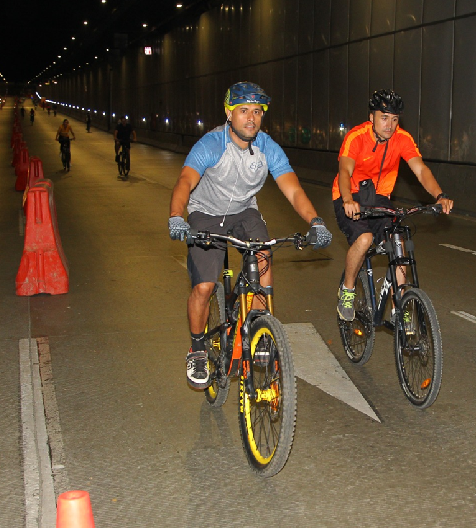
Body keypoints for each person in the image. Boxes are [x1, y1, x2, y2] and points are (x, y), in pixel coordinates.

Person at [168, 81, 333, 389]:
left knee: (263, 256)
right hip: (206, 213)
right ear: (228, 113)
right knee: (204, 286)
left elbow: (293, 189)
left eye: (257, 111)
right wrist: (177, 216)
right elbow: (185, 181)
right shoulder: (211, 144)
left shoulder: (267, 147)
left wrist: (316, 221)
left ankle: (258, 329)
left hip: (244, 212)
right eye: (243, 110)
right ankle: (198, 349)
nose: (251, 118)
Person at [333, 89, 454, 322]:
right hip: (350, 195)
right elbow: (345, 170)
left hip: (379, 199)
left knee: (398, 242)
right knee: (364, 239)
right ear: (372, 117)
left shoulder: (402, 139)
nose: (389, 125)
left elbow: (420, 170)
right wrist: (348, 199)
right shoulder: (356, 137)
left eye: (395, 119)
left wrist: (440, 195)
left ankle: (400, 305)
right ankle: (347, 291)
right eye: (384, 118)